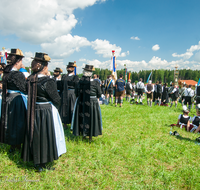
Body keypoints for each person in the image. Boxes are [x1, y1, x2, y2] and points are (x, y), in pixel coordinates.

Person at [21, 52, 66, 172]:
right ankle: (43, 163)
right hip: (45, 111)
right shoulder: (48, 81)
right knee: (45, 136)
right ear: (44, 66)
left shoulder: (30, 79)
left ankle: (35, 160)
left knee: (35, 134)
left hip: (33, 109)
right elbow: (56, 99)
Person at [0, 49, 27, 153]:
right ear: (18, 61)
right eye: (21, 61)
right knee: (18, 122)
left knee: (9, 122)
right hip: (17, 100)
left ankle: (11, 145)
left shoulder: (6, 73)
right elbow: (24, 89)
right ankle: (17, 144)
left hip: (7, 98)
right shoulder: (18, 75)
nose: (22, 64)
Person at [71, 64, 102, 142]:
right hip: (92, 102)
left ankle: (83, 134)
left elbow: (76, 92)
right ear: (91, 74)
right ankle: (90, 136)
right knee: (92, 118)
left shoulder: (80, 82)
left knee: (82, 118)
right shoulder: (95, 83)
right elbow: (99, 94)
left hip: (82, 102)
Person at [60, 62, 79, 128]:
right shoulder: (64, 76)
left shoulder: (75, 77)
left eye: (71, 67)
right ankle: (64, 123)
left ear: (73, 69)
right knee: (64, 108)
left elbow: (76, 86)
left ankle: (72, 123)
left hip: (72, 93)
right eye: (68, 67)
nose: (69, 68)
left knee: (72, 108)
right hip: (64, 93)